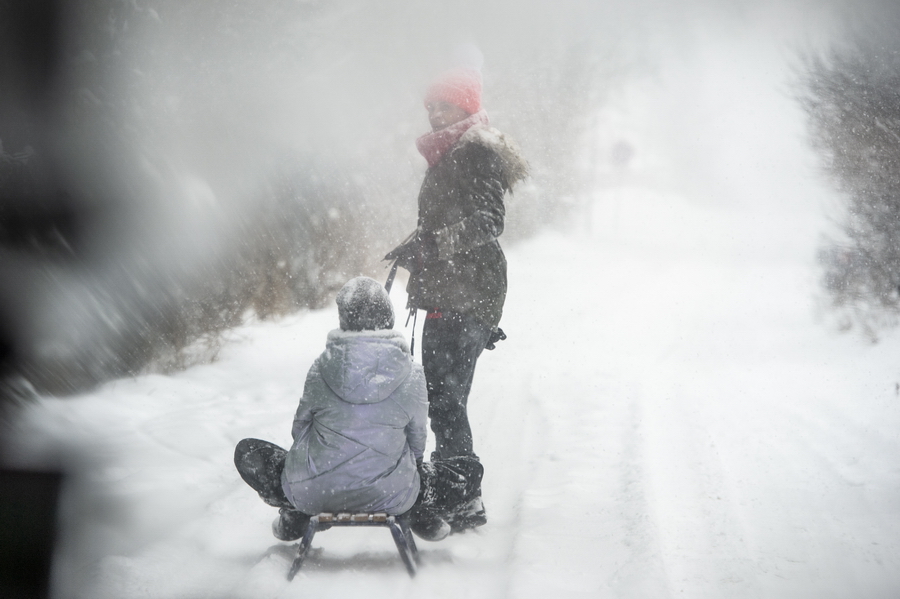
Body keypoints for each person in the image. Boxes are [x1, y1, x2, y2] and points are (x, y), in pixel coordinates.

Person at [384, 65, 528, 530]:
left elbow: (489, 220)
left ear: (465, 107)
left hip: (470, 291)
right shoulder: (451, 155)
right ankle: (456, 492)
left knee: (444, 399)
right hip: (454, 290)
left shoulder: (474, 152)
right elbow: (450, 219)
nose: (433, 113)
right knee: (442, 397)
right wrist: (417, 242)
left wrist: (432, 246)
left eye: (443, 105)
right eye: (430, 106)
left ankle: (462, 498)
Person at [233, 277, 428, 541]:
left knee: (249, 451)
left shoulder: (320, 367)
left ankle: (296, 513)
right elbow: (417, 445)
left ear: (344, 318)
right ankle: (423, 515)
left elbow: (299, 430)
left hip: (314, 494)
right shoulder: (413, 374)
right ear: (388, 316)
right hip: (392, 494)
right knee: (463, 471)